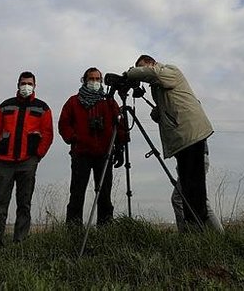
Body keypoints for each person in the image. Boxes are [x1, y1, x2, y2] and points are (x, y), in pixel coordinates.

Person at [125, 55, 214, 230]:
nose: (145, 76)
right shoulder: (157, 86)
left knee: (193, 188)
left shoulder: (170, 71)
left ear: (151, 63)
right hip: (182, 137)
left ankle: (198, 231)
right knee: (189, 188)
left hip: (190, 134)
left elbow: (154, 74)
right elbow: (170, 105)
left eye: (144, 69)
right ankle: (195, 231)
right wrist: (158, 113)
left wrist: (129, 74)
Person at [0, 71, 53, 246]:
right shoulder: (5, 106)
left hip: (28, 162)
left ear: (35, 86)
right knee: (0, 203)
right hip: (4, 161)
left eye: (29, 83)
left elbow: (47, 133)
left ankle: (20, 242)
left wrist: (38, 154)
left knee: (24, 203)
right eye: (23, 83)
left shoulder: (42, 108)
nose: (26, 86)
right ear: (17, 84)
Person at [58, 67, 127, 227]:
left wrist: (120, 147)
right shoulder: (73, 101)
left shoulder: (109, 102)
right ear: (85, 80)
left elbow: (120, 125)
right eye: (92, 79)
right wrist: (74, 139)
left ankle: (105, 228)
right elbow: (64, 124)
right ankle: (74, 230)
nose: (95, 82)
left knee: (104, 194)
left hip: (104, 153)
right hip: (81, 153)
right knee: (77, 193)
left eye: (98, 79)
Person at [171, 145, 223, 233]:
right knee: (198, 199)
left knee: (179, 199)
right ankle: (218, 234)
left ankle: (186, 234)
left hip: (193, 158)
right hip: (189, 158)